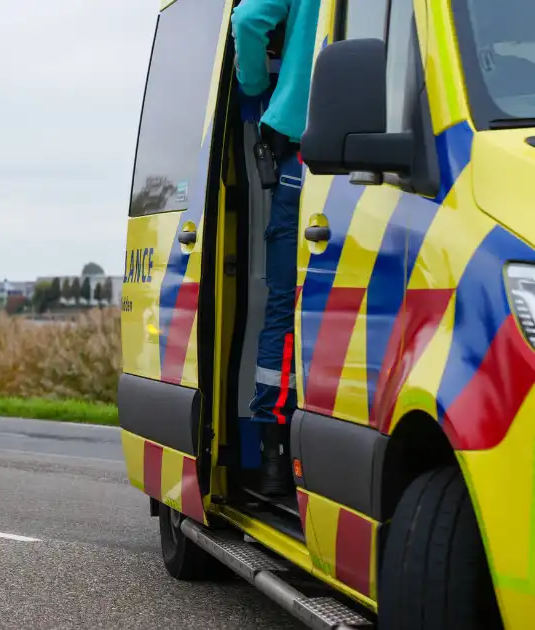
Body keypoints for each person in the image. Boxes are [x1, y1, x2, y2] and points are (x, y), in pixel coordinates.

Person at [232, 0, 320, 496]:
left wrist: (254, 87)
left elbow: (247, 20)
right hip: (393, 158)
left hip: (305, 158)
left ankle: (273, 455)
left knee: (286, 306)